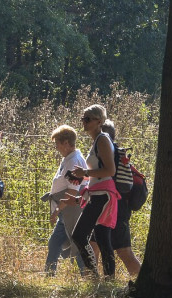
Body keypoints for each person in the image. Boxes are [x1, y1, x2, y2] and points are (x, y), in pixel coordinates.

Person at [68, 105, 120, 276]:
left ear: (99, 121)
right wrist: (82, 177)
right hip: (97, 193)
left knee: (79, 235)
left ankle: (93, 275)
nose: (84, 122)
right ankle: (108, 279)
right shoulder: (97, 140)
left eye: (88, 119)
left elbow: (110, 171)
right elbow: (99, 173)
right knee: (103, 239)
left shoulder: (103, 140)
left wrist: (86, 173)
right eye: (83, 118)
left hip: (103, 196)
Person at [101, 119, 142, 277]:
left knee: (124, 251)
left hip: (115, 210)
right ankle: (94, 283)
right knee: (93, 245)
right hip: (110, 209)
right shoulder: (114, 153)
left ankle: (141, 281)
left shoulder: (112, 155)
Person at [44, 125, 86, 274]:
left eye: (58, 144)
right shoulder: (68, 159)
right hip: (65, 210)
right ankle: (49, 275)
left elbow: (72, 191)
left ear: (66, 143)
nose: (56, 148)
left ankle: (88, 274)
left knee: (77, 244)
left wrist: (57, 209)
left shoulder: (73, 162)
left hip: (70, 210)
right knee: (55, 242)